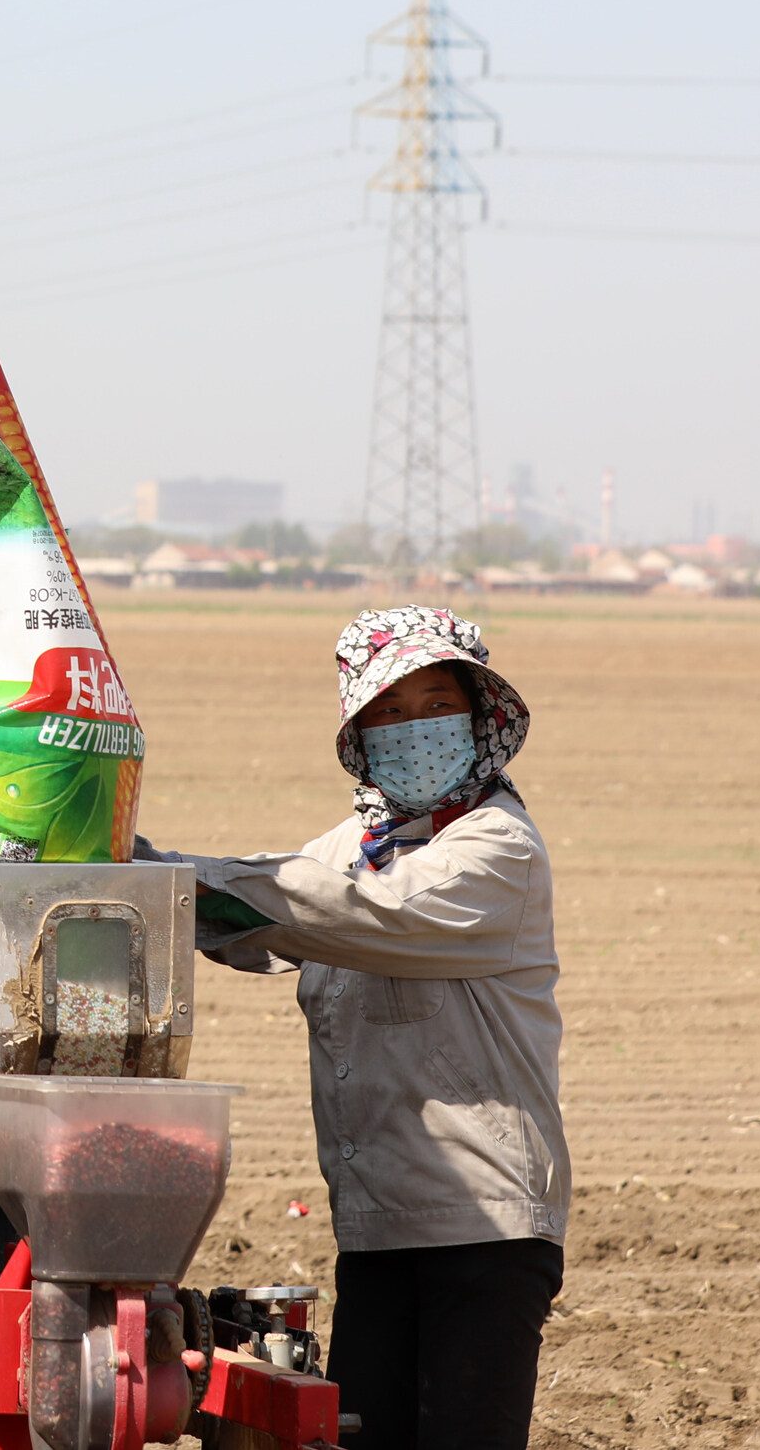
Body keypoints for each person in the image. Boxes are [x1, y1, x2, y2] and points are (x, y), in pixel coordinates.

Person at [158, 606, 567, 1450]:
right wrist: (149, 888)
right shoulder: (362, 842)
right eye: (387, 710)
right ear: (357, 731)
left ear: (481, 716)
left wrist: (172, 880)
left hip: (481, 1224)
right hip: (378, 1223)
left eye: (434, 706)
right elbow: (268, 926)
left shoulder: (498, 849)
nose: (412, 729)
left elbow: (341, 914)